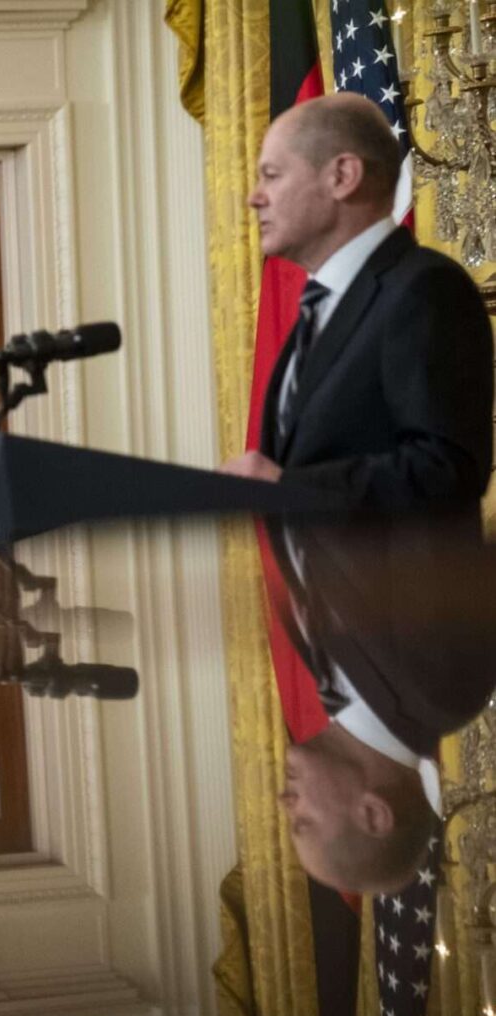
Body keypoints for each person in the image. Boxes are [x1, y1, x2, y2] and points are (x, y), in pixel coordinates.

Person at [220, 94, 493, 509]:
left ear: (343, 176)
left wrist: (291, 488)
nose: (254, 198)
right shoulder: (321, 307)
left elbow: (447, 470)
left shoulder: (425, 289)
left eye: (272, 176)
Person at [266, 515, 496, 892]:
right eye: (303, 823)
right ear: (373, 814)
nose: (284, 800)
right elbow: (424, 494)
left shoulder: (321, 671)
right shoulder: (440, 691)